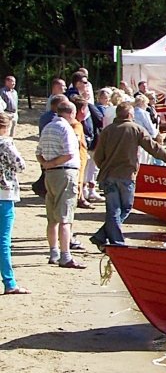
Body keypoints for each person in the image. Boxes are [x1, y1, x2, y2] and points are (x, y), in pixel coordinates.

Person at [90, 102, 166, 249]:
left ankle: (102, 236)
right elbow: (154, 149)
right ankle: (116, 242)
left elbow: (98, 156)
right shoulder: (136, 129)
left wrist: (103, 167)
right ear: (130, 115)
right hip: (127, 175)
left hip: (108, 175)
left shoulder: (107, 130)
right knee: (125, 208)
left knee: (113, 209)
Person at [36, 100, 87, 269]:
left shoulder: (48, 127)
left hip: (50, 175)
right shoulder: (66, 128)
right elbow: (69, 154)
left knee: (52, 218)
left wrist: (46, 164)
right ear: (71, 113)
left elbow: (38, 153)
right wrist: (53, 163)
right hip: (65, 172)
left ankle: (54, 253)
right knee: (65, 217)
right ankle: (65, 256)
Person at [0, 113, 29, 294]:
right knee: (3, 241)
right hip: (4, 194)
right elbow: (20, 165)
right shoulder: (5, 144)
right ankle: (9, 282)